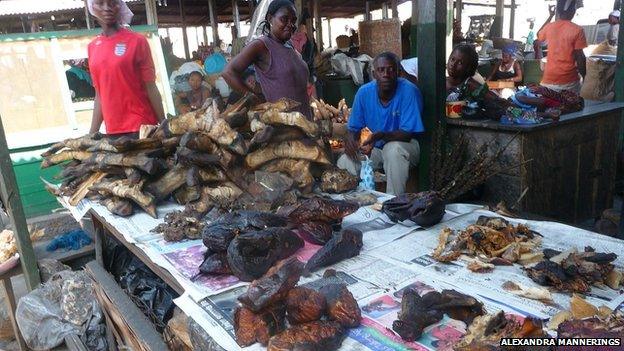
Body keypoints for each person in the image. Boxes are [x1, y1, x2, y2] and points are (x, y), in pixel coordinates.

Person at [337, 52, 424, 196]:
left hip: (406, 147)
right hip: (376, 148)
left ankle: (393, 203)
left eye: (391, 69)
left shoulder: (409, 91)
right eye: (381, 70)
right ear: (373, 74)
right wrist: (352, 140)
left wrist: (381, 135)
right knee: (346, 160)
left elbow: (407, 134)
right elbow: (353, 129)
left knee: (393, 149)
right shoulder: (364, 93)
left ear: (398, 73)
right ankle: (350, 203)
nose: (386, 74)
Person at [86, 0, 164, 136]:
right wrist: (92, 133)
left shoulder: (137, 41)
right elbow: (99, 94)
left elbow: (150, 86)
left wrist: (164, 124)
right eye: (100, 3)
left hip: (142, 128)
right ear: (92, 8)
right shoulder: (92, 47)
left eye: (112, 3)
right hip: (112, 131)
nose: (107, 8)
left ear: (120, 6)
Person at [222, 0, 312, 118]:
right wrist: (255, 100)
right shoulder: (261, 45)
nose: (290, 24)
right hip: (282, 127)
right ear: (270, 18)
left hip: (306, 123)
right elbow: (228, 72)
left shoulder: (289, 46)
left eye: (293, 20)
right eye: (284, 19)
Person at [534, 0, 587, 93]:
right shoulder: (578, 30)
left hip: (548, 81)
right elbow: (580, 58)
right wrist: (584, 77)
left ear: (558, 11)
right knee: (570, 106)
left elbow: (539, 34)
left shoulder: (549, 27)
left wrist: (550, 15)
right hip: (569, 83)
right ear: (573, 11)